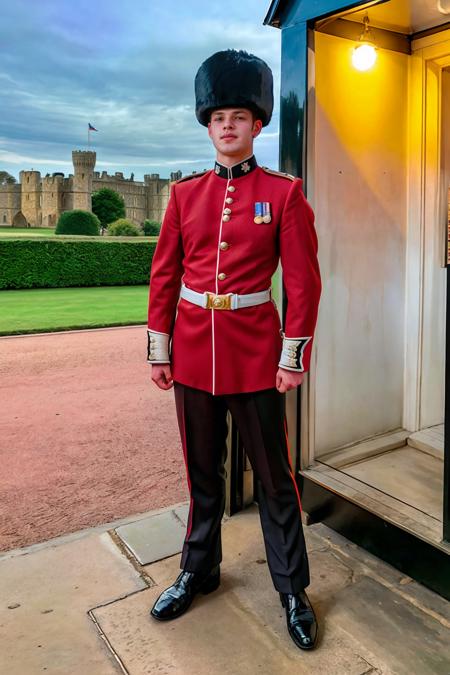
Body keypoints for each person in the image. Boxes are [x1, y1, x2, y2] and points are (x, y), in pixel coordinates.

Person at [146, 49, 322, 651]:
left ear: (256, 125)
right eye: (218, 115)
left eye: (239, 116)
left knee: (275, 480)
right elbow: (165, 277)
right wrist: (159, 349)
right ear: (208, 123)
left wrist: (291, 356)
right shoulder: (183, 196)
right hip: (193, 353)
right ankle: (198, 569)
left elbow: (302, 283)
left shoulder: (284, 194)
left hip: (255, 357)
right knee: (201, 476)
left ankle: (292, 589)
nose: (227, 125)